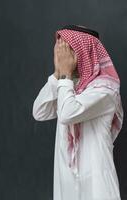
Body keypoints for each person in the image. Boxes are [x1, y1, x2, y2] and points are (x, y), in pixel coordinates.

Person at [32, 24, 124, 200]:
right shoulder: (68, 86)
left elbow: (67, 114)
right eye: (59, 50)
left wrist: (65, 77)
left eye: (67, 50)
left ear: (84, 51)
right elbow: (39, 112)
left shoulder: (106, 90)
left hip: (96, 185)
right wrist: (58, 75)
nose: (62, 56)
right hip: (67, 184)